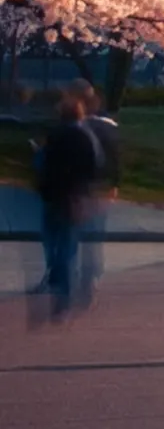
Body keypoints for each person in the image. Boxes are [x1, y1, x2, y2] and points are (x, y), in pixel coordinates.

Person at [32, 89, 101, 318]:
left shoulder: (55, 136)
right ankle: (65, 292)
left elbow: (44, 164)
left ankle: (58, 283)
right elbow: (92, 168)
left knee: (53, 241)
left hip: (54, 195)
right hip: (74, 196)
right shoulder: (85, 138)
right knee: (68, 244)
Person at [78, 83, 122, 300]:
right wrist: (114, 184)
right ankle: (94, 273)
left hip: (86, 186)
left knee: (84, 232)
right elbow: (115, 160)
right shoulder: (110, 127)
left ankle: (87, 275)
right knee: (95, 232)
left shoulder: (83, 126)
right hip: (102, 186)